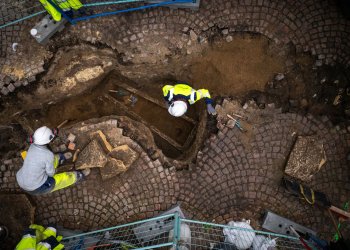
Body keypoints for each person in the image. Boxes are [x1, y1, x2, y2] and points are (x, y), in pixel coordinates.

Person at [16, 126, 89, 195]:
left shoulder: (33, 146)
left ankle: (61, 158)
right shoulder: (47, 154)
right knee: (60, 179)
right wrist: (54, 170)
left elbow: (44, 159)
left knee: (50, 160)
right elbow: (51, 174)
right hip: (36, 187)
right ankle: (77, 176)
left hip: (21, 178)